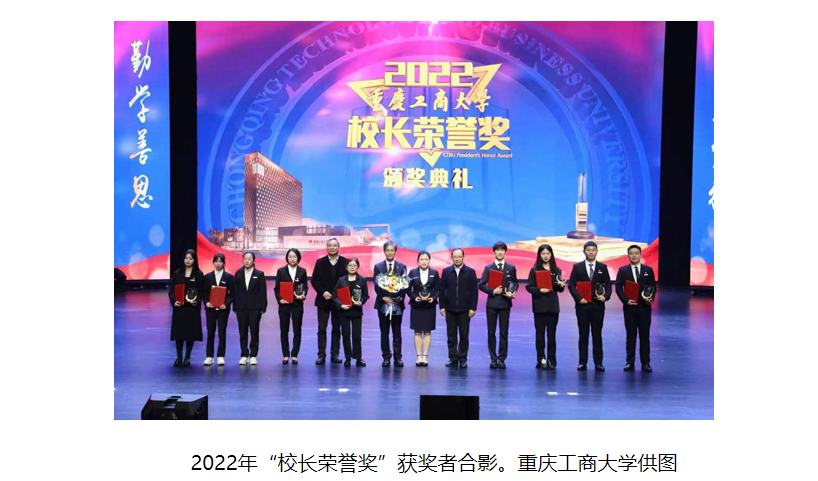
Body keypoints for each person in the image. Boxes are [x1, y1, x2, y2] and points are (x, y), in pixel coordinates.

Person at [568, 241, 612, 371]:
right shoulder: (577, 267)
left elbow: (608, 285)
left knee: (597, 335)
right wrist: (579, 298)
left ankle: (599, 363)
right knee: (583, 335)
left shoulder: (602, 267)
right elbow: (571, 285)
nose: (591, 252)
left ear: (597, 251)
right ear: (584, 252)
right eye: (588, 250)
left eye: (593, 250)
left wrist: (605, 297)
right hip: (582, 306)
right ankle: (582, 362)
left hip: (598, 306)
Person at [615, 245, 657, 372]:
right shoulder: (623, 270)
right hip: (630, 309)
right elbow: (618, 288)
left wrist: (650, 298)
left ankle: (646, 363)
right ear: (628, 255)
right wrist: (626, 300)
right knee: (631, 336)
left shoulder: (648, 270)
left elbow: (653, 287)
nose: (634, 256)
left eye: (636, 253)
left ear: (640, 254)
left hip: (645, 308)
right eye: (631, 253)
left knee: (645, 336)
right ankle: (629, 362)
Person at [478, 241, 518, 369]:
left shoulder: (511, 268)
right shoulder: (488, 268)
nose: (500, 252)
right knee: (491, 332)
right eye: (497, 250)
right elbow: (481, 285)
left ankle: (502, 359)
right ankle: (493, 358)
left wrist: (512, 291)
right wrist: (493, 291)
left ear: (505, 252)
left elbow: (515, 283)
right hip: (492, 304)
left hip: (505, 303)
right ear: (494, 252)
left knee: (504, 332)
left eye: (502, 250)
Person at [525, 244, 565, 369]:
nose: (546, 256)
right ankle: (541, 359)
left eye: (548, 253)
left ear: (551, 255)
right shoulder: (534, 270)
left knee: (552, 335)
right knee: (540, 335)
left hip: (553, 307)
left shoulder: (556, 270)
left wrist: (561, 286)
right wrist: (539, 290)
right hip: (539, 306)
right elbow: (529, 287)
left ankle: (551, 360)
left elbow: (559, 289)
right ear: (539, 255)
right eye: (543, 253)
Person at [438, 248, 478, 368]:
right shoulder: (446, 271)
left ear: (463, 257)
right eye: (455, 257)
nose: (457, 259)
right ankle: (453, 358)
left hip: (465, 310)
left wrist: (473, 308)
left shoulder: (470, 272)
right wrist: (442, 306)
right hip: (450, 309)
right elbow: (442, 290)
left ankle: (463, 358)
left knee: (464, 335)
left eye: (459, 257)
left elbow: (474, 292)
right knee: (451, 335)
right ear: (452, 257)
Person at [310, 238, 348, 365]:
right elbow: (314, 280)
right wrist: (323, 292)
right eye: (329, 245)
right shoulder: (320, 262)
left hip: (339, 302)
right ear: (326, 247)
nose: (332, 248)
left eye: (334, 245)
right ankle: (321, 355)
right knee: (322, 328)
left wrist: (338, 296)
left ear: (338, 247)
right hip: (323, 300)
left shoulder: (345, 262)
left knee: (337, 328)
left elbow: (348, 280)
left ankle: (335, 354)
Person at [373, 240, 409, 367]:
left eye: (392, 250)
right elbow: (376, 285)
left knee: (397, 332)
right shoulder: (378, 267)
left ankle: (398, 357)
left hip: (397, 304)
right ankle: (386, 357)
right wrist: (384, 298)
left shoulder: (402, 266)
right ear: (384, 251)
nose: (389, 252)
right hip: (382, 304)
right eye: (387, 250)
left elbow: (405, 284)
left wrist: (399, 298)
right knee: (384, 332)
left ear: (395, 251)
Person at [168, 249, 205, 367]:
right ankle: (179, 357)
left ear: (194, 260)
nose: (188, 261)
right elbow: (171, 290)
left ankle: (187, 357)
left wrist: (197, 301)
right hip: (179, 307)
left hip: (192, 309)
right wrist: (174, 301)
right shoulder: (177, 273)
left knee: (190, 333)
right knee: (179, 334)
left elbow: (202, 291)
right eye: (186, 258)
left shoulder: (199, 274)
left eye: (190, 258)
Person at [332, 257, 369, 367]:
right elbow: (334, 296)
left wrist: (361, 302)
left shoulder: (362, 279)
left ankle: (358, 358)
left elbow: (365, 295)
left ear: (358, 267)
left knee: (357, 335)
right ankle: (347, 358)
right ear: (346, 267)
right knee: (346, 335)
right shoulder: (341, 280)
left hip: (357, 312)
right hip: (345, 312)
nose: (352, 268)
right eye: (350, 265)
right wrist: (341, 305)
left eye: (354, 265)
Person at [275, 248, 308, 365]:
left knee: (297, 329)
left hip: (297, 304)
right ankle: (285, 354)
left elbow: (305, 287)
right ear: (287, 258)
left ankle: (294, 354)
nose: (292, 259)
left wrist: (303, 295)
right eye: (290, 257)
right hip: (284, 305)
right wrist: (280, 299)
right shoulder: (281, 271)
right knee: (284, 330)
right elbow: (277, 288)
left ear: (298, 258)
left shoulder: (302, 271)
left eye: (294, 256)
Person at [233, 252, 267, 365]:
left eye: (249, 259)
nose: (247, 261)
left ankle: (253, 355)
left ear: (254, 261)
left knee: (254, 331)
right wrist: (235, 306)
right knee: (242, 332)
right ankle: (244, 354)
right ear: (243, 260)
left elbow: (262, 292)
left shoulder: (259, 274)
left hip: (255, 308)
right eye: (245, 259)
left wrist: (263, 307)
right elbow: (235, 292)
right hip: (241, 308)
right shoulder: (238, 273)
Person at [408, 250, 439, 366]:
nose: (424, 262)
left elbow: (438, 289)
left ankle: (425, 356)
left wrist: (433, 298)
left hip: (429, 305)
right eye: (421, 259)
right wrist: (414, 297)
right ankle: (418, 356)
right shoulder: (412, 272)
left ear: (429, 260)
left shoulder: (434, 273)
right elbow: (408, 289)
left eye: (426, 259)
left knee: (427, 331)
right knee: (417, 331)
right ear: (418, 260)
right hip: (416, 305)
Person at [203, 253, 234, 366]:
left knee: (222, 332)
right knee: (210, 332)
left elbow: (232, 294)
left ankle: (221, 356)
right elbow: (204, 293)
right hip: (210, 309)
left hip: (223, 310)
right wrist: (206, 302)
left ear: (224, 263)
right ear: (213, 262)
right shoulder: (208, 276)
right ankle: (209, 356)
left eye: (220, 261)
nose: (218, 264)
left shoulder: (229, 277)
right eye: (216, 261)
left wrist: (226, 304)